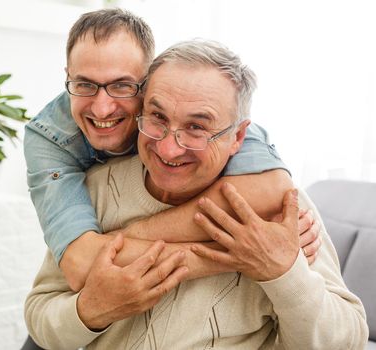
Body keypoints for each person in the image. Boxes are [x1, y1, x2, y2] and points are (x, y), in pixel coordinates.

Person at [25, 39, 368, 349]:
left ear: (238, 137)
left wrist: (282, 272)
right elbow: (40, 318)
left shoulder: (279, 211)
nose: (169, 149)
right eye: (157, 117)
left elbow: (347, 341)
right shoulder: (96, 191)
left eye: (196, 128)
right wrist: (91, 311)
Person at [23, 8, 320, 292]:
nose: (102, 108)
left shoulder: (198, 111)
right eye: (84, 84)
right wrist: (238, 257)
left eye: (123, 86)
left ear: (149, 81)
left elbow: (271, 188)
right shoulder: (48, 137)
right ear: (67, 76)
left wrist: (120, 240)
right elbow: (82, 264)